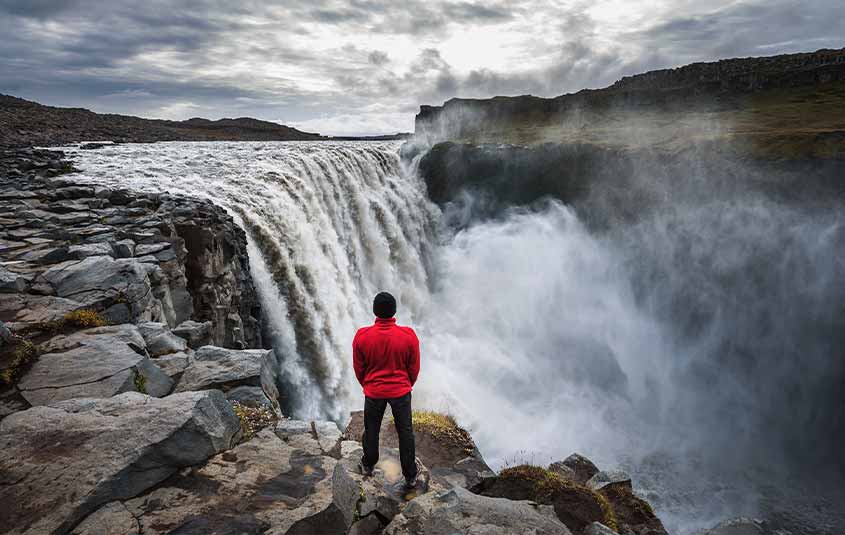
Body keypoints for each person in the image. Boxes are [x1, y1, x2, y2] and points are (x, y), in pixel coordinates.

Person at [353, 291, 421, 488]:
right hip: (401, 392)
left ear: (375, 311)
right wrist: (407, 384)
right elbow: (414, 367)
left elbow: (359, 368)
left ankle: (368, 464)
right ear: (394, 311)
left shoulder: (362, 336)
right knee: (405, 432)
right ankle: (410, 475)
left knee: (372, 430)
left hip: (374, 391)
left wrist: (367, 384)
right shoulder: (408, 336)